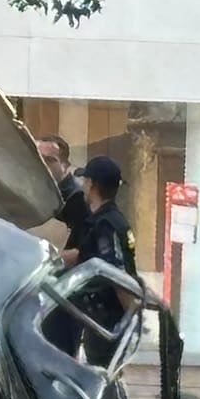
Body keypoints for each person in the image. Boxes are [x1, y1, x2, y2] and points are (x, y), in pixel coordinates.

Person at [73, 155, 137, 368]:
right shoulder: (109, 221)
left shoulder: (105, 225)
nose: (83, 185)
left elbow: (115, 272)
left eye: (85, 181)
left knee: (101, 376)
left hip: (107, 318)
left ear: (91, 184)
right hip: (102, 317)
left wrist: (131, 319)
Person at [37, 134, 88, 356]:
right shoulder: (35, 195)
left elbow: (82, 252)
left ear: (65, 164)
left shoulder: (76, 200)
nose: (43, 165)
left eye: (50, 160)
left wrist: (48, 257)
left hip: (63, 298)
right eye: (38, 158)